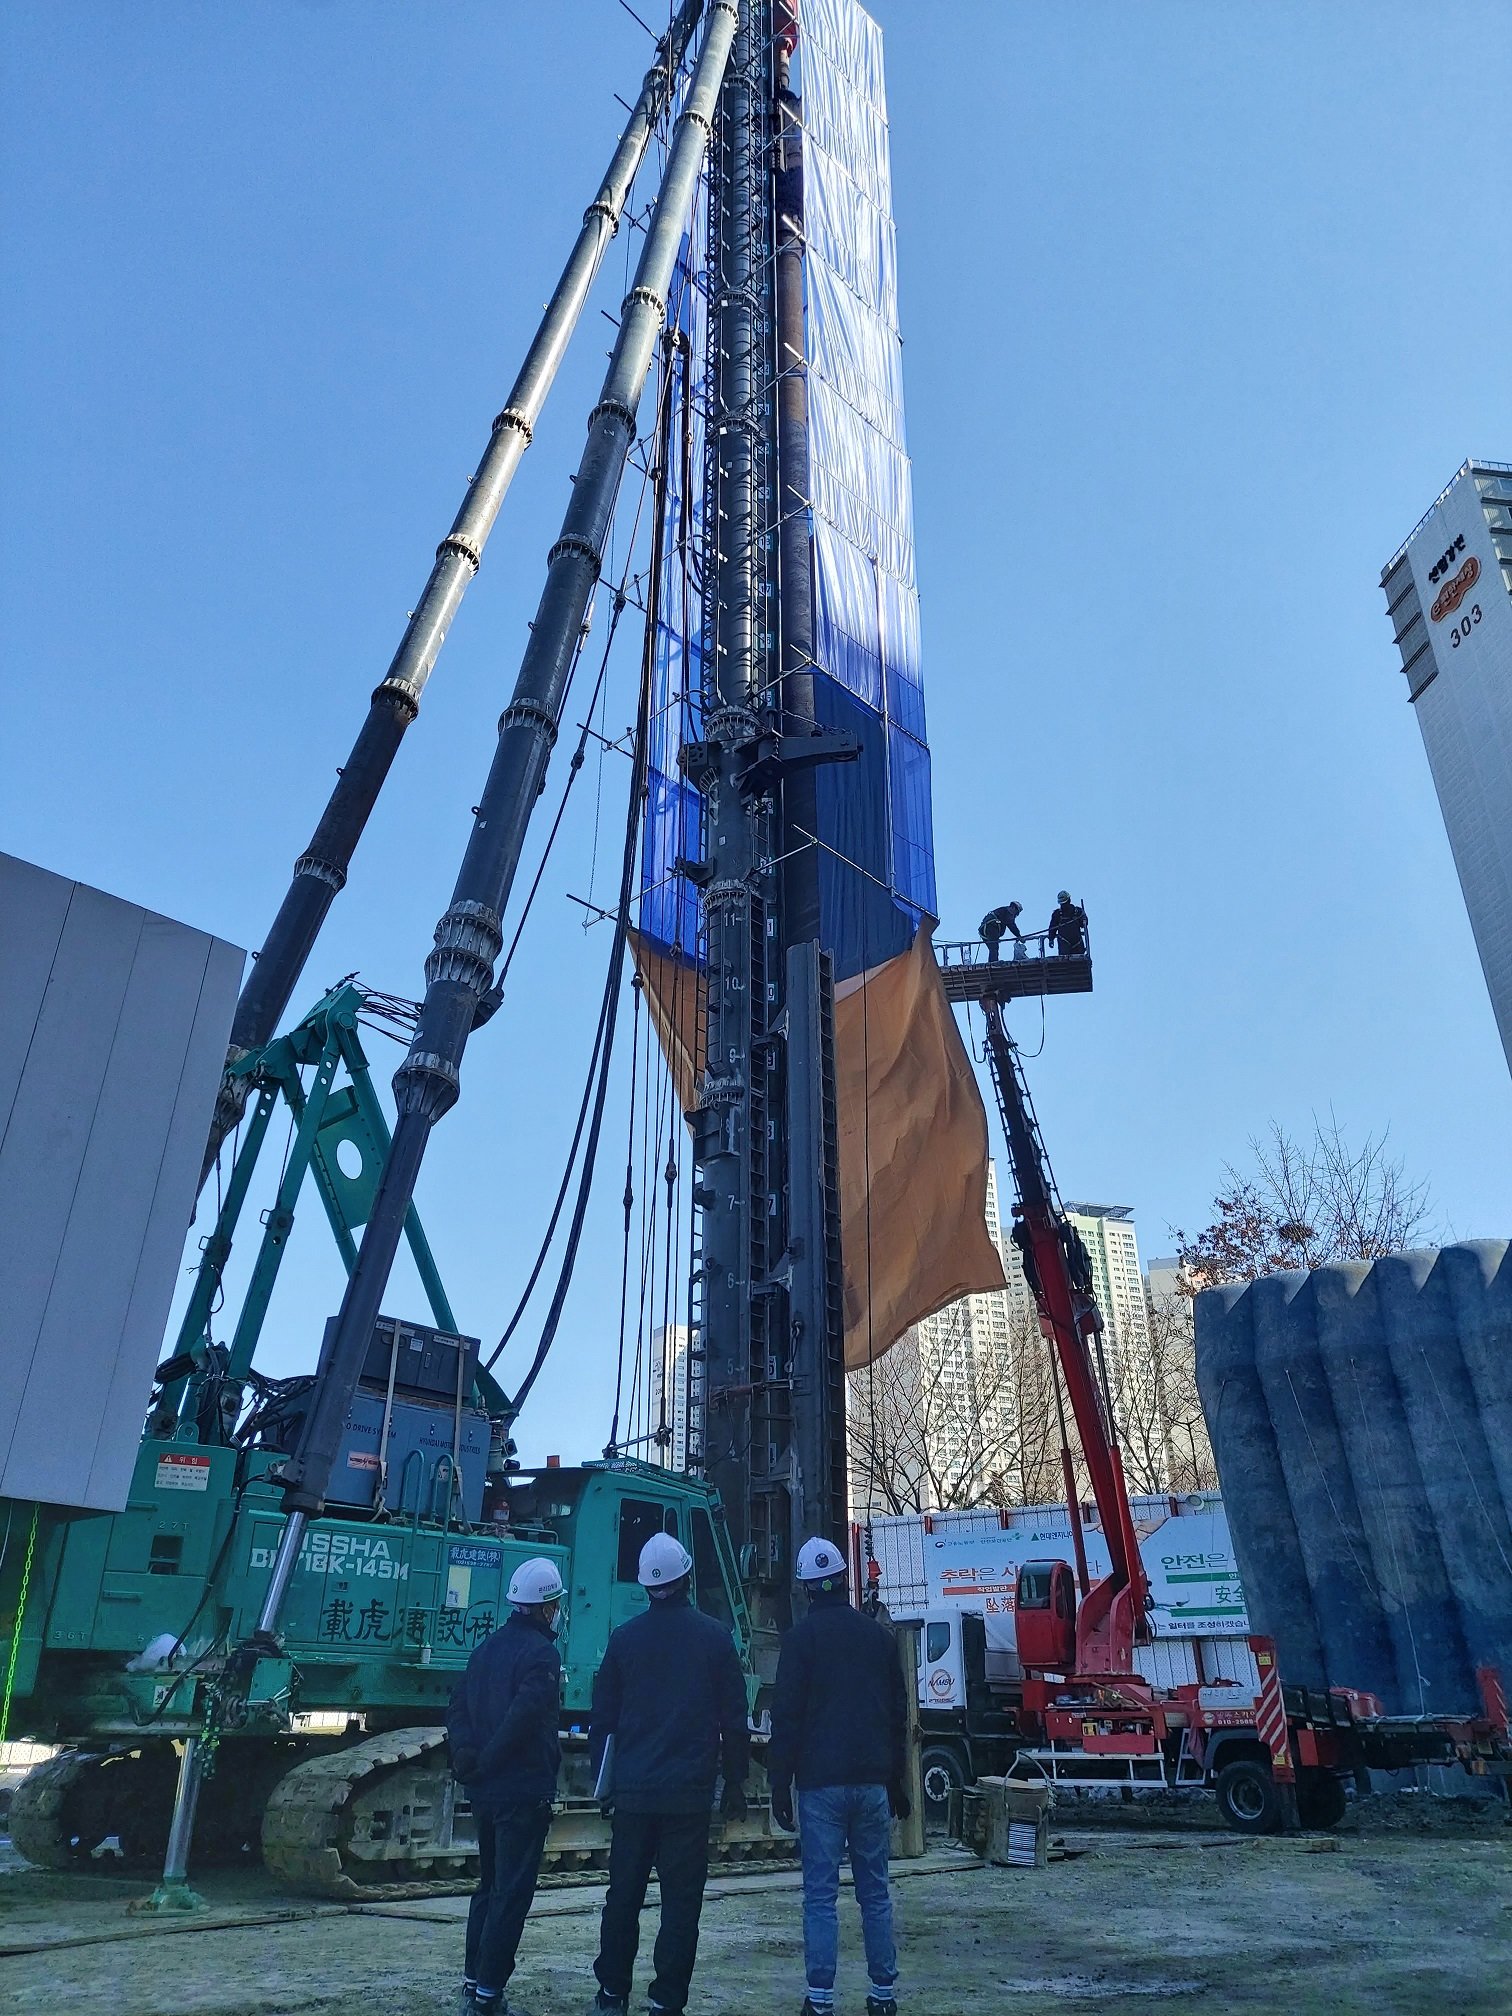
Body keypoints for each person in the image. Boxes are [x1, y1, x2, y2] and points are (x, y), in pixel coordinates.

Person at [588, 1532, 750, 2015]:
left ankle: (613, 1992)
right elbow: (734, 1720)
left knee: (623, 1898)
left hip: (634, 1795)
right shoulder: (715, 1638)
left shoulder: (624, 1640)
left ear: (645, 1587)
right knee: (681, 1906)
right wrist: (736, 1782)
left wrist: (605, 1783)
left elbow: (603, 1721)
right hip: (688, 1797)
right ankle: (666, 2000)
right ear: (687, 1577)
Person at [767, 1537, 908, 2016]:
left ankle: (822, 2000)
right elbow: (897, 1715)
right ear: (845, 1580)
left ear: (807, 1587)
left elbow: (786, 1718)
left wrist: (777, 1785)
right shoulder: (879, 1639)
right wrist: (899, 1783)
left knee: (820, 1897)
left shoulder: (799, 1642)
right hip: (871, 1783)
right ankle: (883, 1996)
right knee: (875, 1893)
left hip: (820, 1786)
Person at [447, 1556, 565, 2015]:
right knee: (512, 1894)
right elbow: (525, 1717)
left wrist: (467, 1760)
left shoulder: (485, 1649)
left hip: (484, 1792)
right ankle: (489, 1995)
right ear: (546, 1607)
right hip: (521, 1790)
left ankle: (472, 1979)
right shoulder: (542, 1655)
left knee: (488, 1885)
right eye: (554, 1604)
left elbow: (457, 1707)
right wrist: (490, 1761)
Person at [1047, 889, 1087, 957]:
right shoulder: (1057, 914)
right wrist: (1051, 939)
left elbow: (1084, 925)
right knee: (1065, 964)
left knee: (1076, 963)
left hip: (1077, 943)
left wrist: (1084, 919)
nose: (1064, 905)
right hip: (1064, 944)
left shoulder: (1077, 911)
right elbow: (1052, 928)